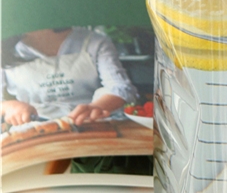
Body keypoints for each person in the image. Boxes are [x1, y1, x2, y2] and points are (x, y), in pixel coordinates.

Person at [1, 27, 137, 128]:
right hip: (33, 129)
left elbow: (121, 88)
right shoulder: (4, 49)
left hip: (92, 125)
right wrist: (10, 106)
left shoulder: (94, 42)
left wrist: (96, 107)